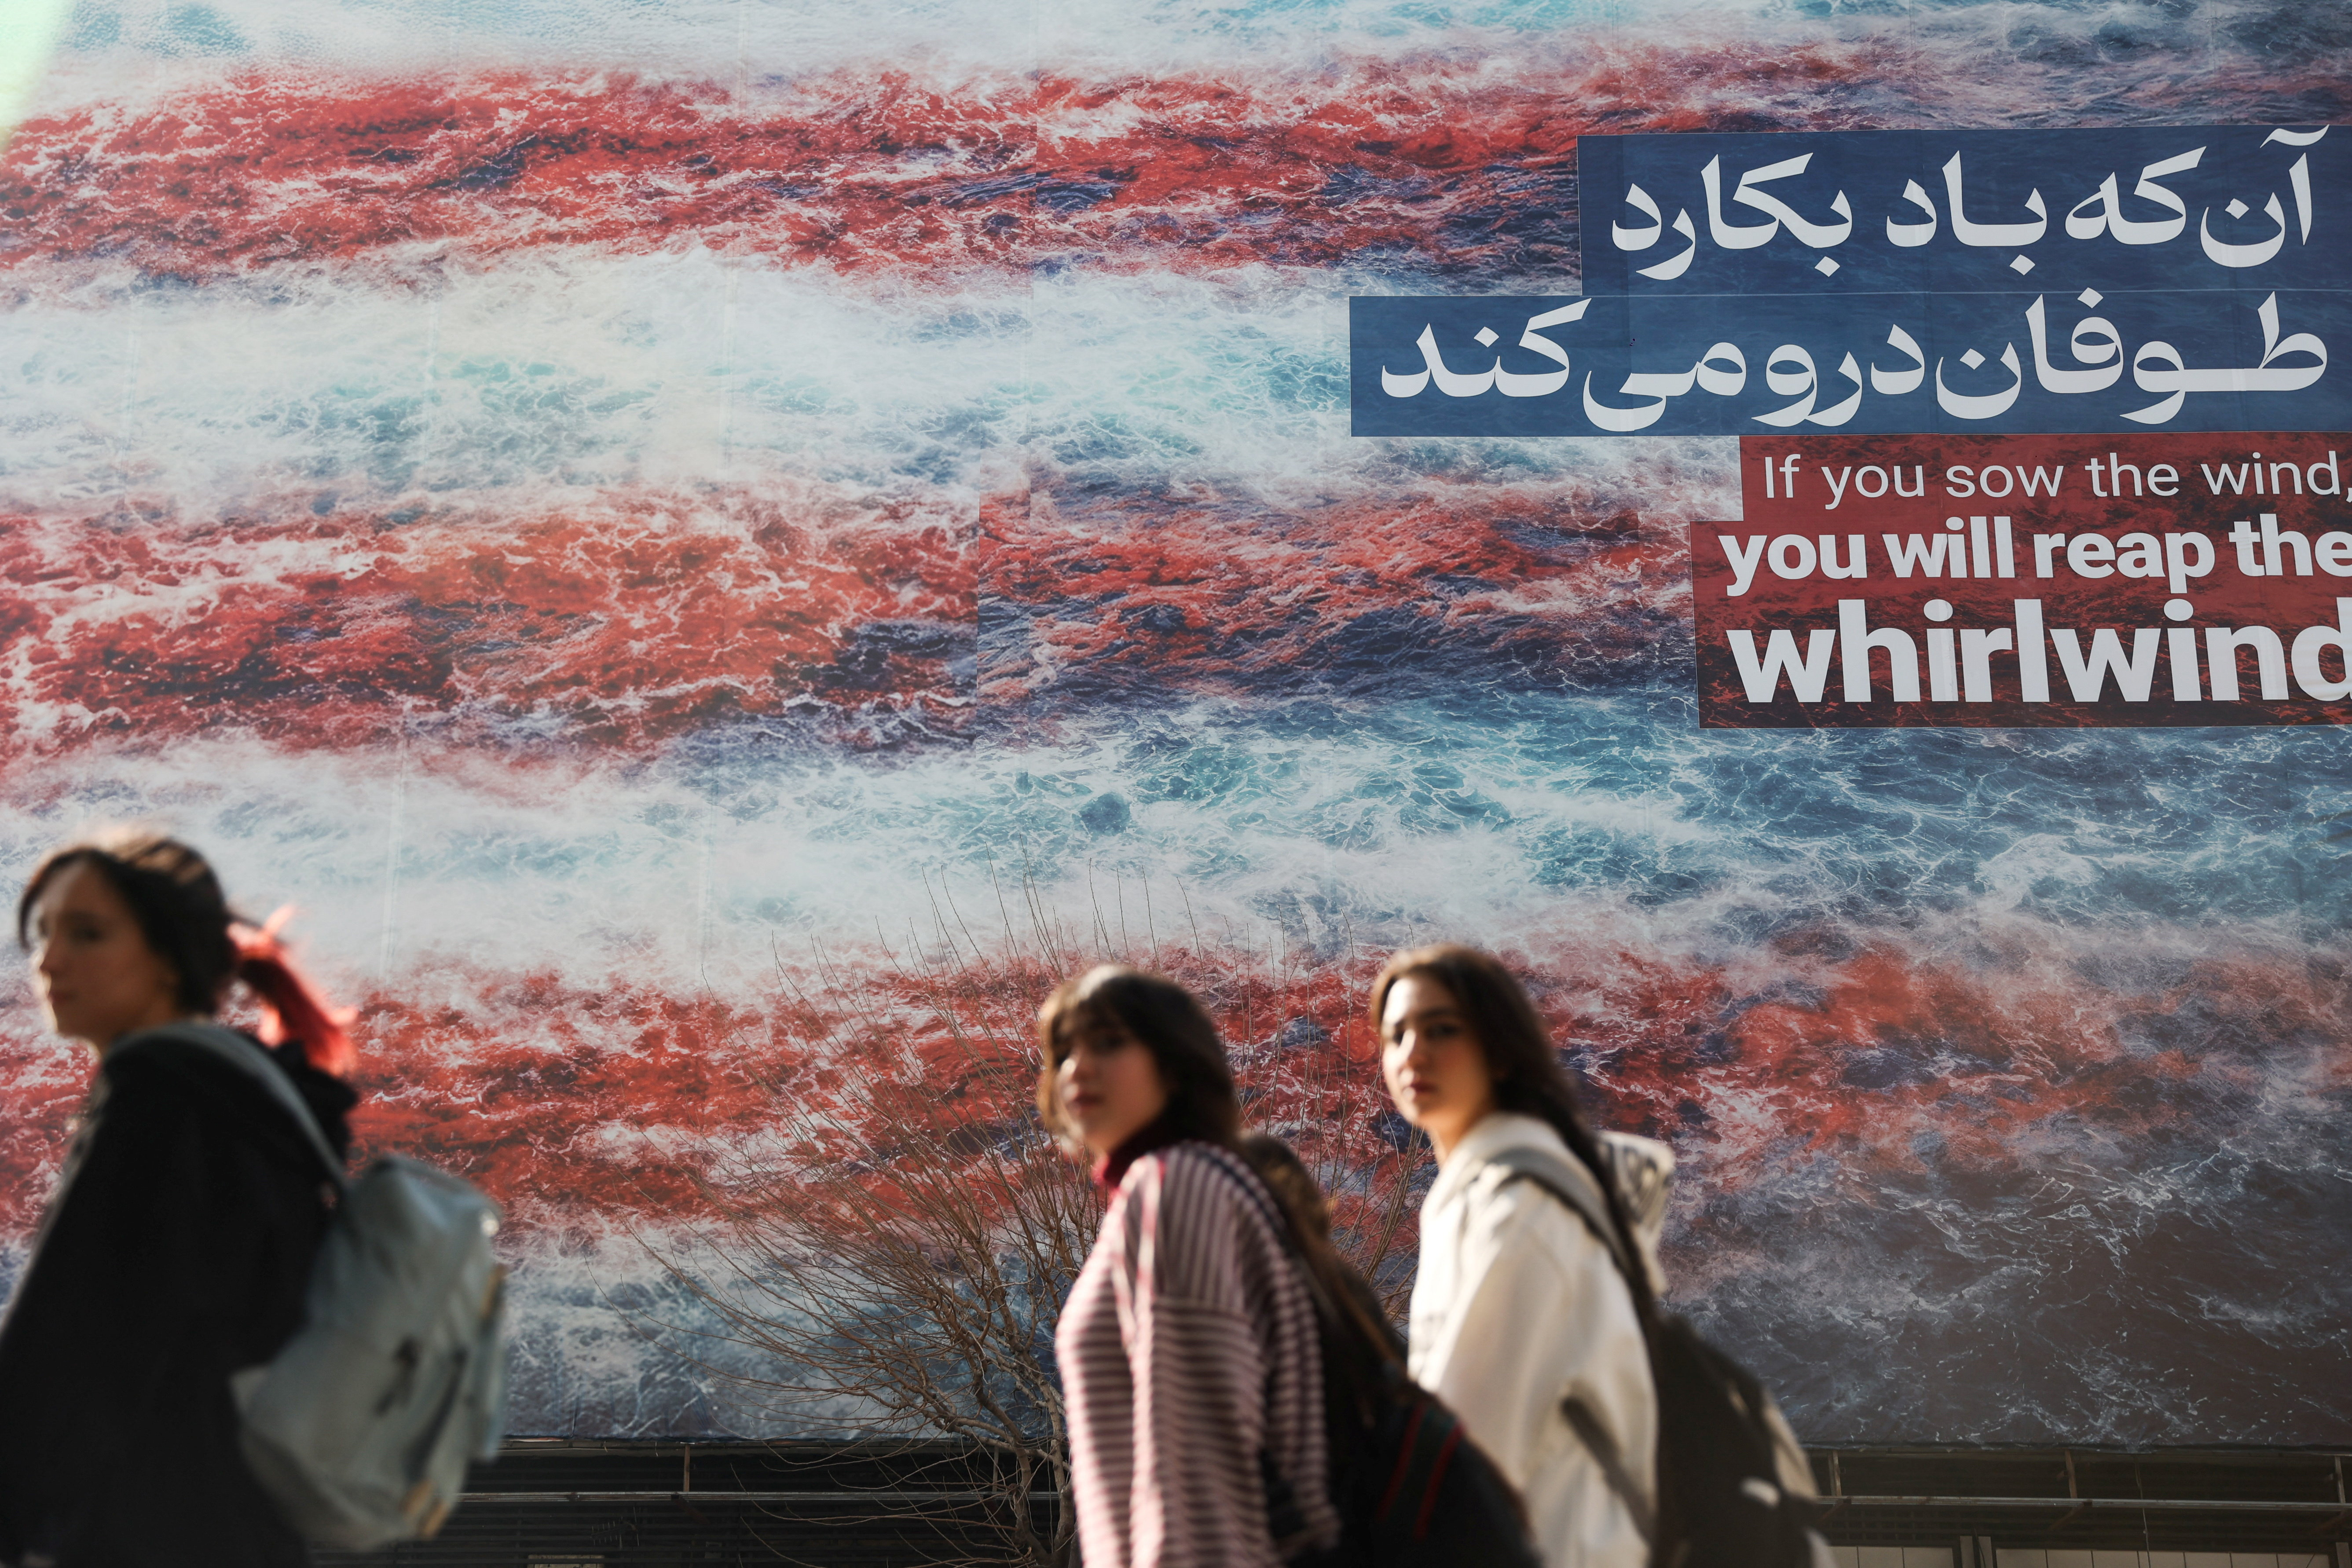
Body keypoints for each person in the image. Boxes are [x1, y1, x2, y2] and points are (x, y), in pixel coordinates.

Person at [0, 832, 359, 1568]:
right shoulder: (252, 1100)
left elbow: (62, 1345)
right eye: (44, 935)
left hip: (141, 1528)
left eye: (87, 933)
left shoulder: (157, 1096)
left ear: (167, 958)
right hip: (242, 1526)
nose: (48, 960)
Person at [1374, 944, 1674, 1568]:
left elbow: (1467, 1448)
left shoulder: (1510, 1208)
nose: (1412, 1053)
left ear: (1501, 1046)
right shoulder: (1535, 1188)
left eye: (1442, 1029)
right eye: (1395, 1033)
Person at [1043, 965, 1348, 1568]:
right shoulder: (1186, 1182)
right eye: (1062, 1052)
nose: (1077, 1067)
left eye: (1109, 1042)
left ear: (1176, 1065)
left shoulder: (1174, 1184)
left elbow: (1194, 1448)